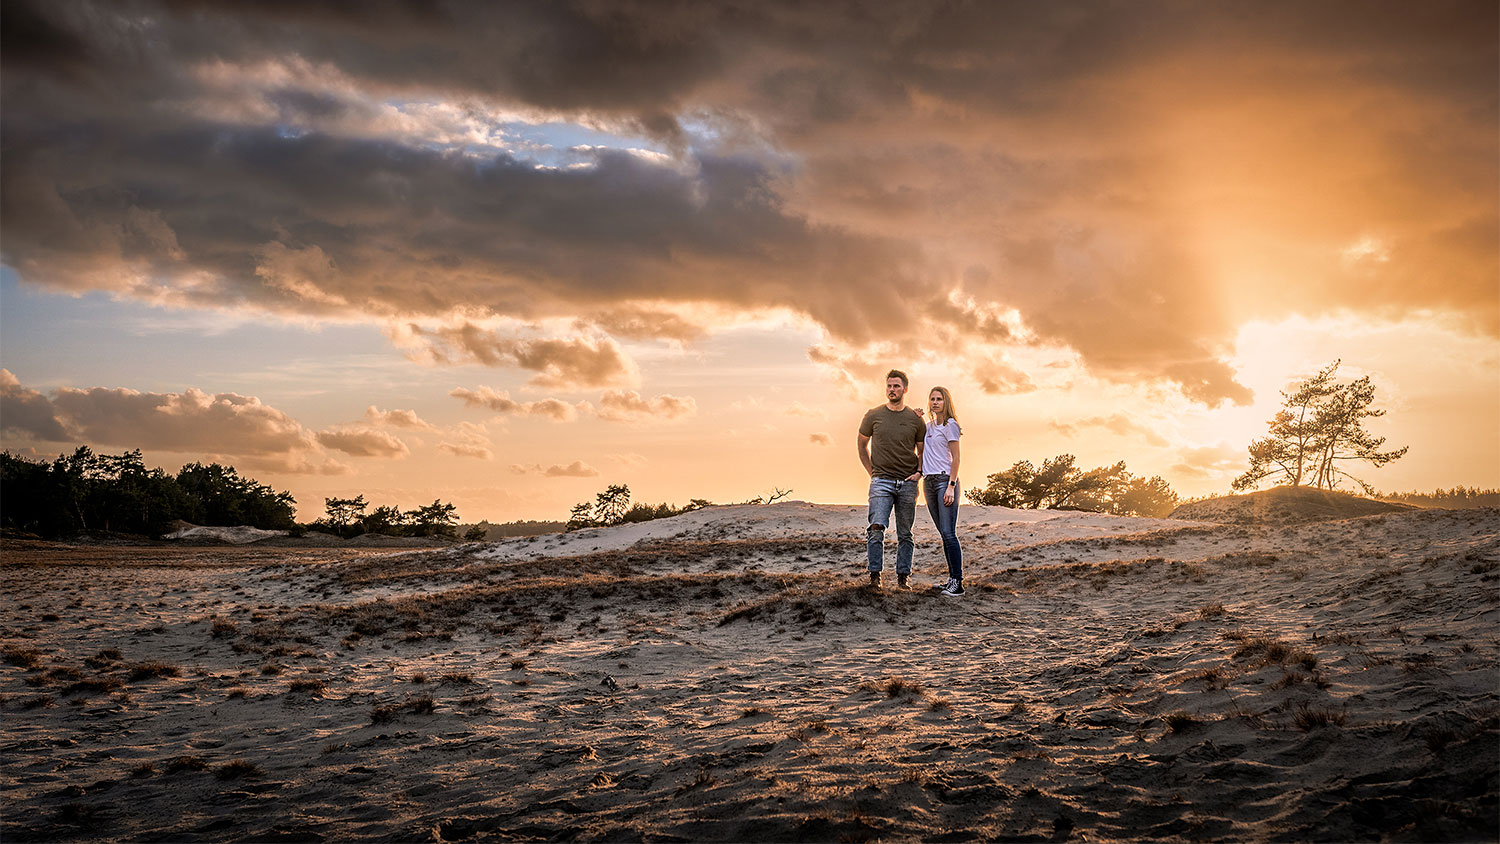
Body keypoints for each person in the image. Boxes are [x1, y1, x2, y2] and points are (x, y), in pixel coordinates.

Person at [857, 369, 924, 589]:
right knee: (876, 528)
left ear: (905, 389)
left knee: (905, 533)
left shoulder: (915, 420)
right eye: (889, 386)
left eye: (896, 386)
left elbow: (922, 451)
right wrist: (872, 472)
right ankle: (875, 578)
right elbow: (861, 445)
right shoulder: (873, 415)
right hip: (881, 482)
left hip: (907, 482)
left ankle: (903, 579)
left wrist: (919, 473)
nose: (892, 390)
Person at [921, 386, 964, 596]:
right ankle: (951, 579)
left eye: (939, 399)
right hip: (928, 482)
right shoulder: (928, 427)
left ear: (946, 402)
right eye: (932, 399)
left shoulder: (950, 425)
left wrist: (951, 486)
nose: (935, 402)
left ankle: (958, 582)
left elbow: (956, 458)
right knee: (943, 534)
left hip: (945, 481)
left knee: (949, 533)